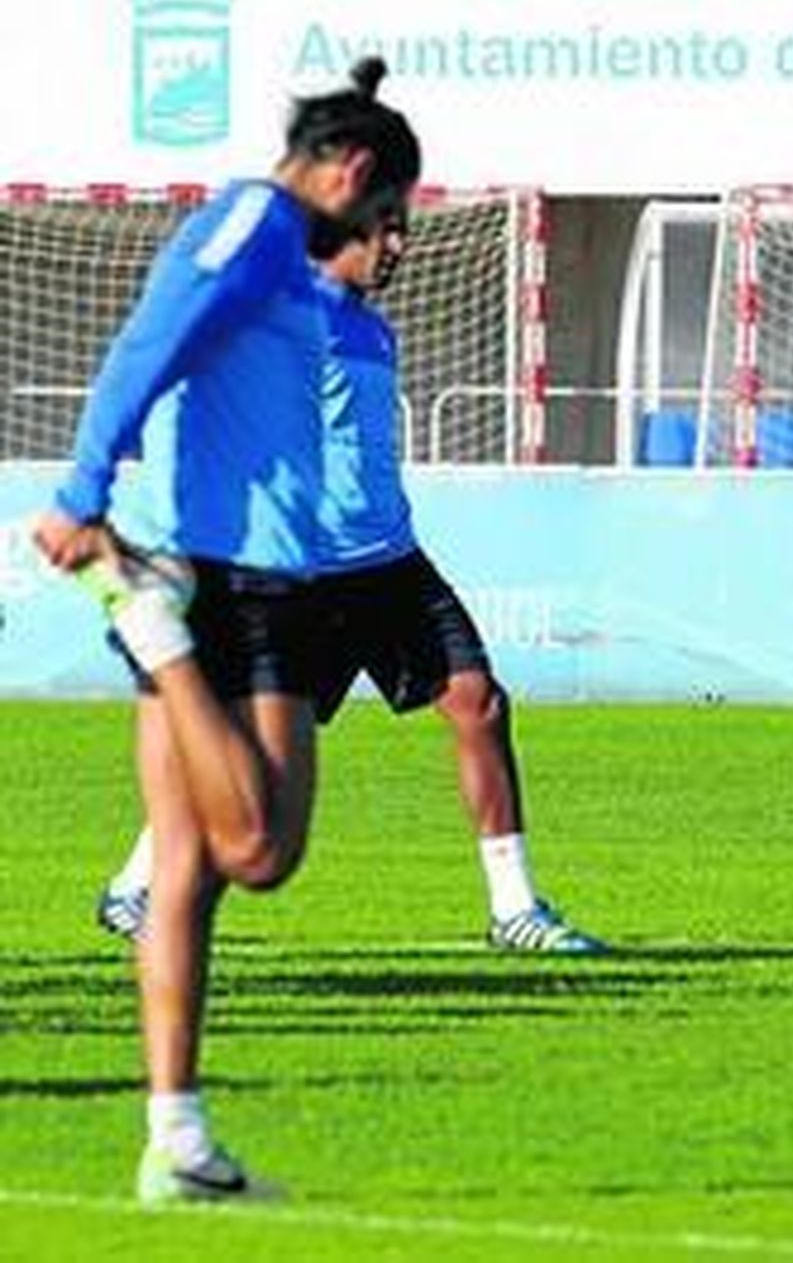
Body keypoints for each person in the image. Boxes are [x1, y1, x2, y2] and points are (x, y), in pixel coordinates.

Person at [31, 58, 420, 1204]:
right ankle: (148, 628)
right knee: (258, 849)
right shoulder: (254, 221)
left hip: (257, 572)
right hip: (220, 578)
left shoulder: (283, 245)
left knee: (190, 873)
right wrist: (84, 487)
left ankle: (177, 1141)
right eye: (385, 208)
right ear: (349, 174)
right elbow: (150, 340)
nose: (384, 233)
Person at [96, 204, 606, 956]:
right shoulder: (265, 316)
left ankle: (515, 908)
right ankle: (135, 886)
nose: (398, 246)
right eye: (384, 232)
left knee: (478, 702)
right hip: (298, 571)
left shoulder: (373, 329)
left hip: (389, 561)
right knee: (247, 762)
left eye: (401, 231)